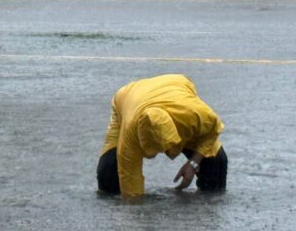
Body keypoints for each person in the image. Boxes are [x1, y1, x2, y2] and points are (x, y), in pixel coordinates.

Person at [97, 74, 228, 198]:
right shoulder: (129, 136)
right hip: (126, 97)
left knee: (216, 162)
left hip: (177, 85)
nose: (168, 155)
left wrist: (193, 164)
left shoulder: (195, 115)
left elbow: (214, 129)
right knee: (108, 175)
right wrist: (137, 212)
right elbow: (130, 183)